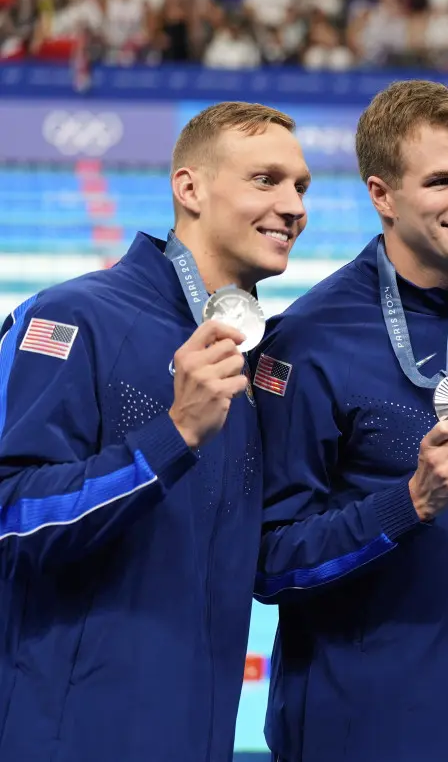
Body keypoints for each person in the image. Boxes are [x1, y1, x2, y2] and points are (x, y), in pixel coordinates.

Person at [0, 102, 310, 759]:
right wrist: (173, 434)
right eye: (266, 180)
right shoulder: (71, 316)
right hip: (68, 739)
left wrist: (411, 501)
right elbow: (11, 515)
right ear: (189, 188)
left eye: (301, 186)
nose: (293, 206)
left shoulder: (260, 360)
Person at [251, 80, 448, 762]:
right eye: (442, 181)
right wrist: (406, 504)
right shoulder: (310, 341)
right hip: (353, 733)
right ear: (382, 195)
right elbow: (268, 562)